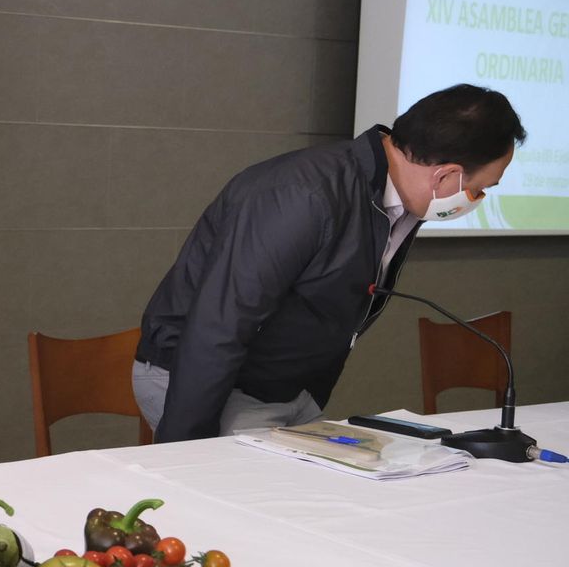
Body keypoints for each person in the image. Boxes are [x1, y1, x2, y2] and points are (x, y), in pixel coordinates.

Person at [135, 83, 524, 443]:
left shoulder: (399, 201)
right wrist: (185, 454)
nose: (476, 200)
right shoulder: (304, 195)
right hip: (200, 382)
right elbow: (219, 325)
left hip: (284, 390)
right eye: (480, 189)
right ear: (447, 174)